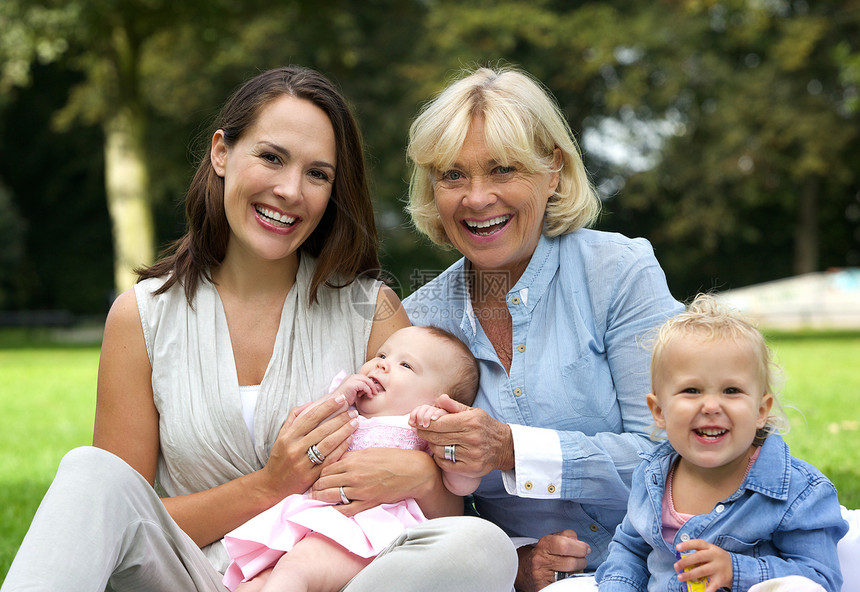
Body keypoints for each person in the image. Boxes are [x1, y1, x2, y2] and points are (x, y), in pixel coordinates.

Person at [1, 66, 516, 592]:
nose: (290, 190)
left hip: (327, 578)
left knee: (482, 547)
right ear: (222, 153)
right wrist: (271, 485)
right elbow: (120, 522)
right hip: (185, 577)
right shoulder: (142, 317)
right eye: (271, 157)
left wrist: (427, 479)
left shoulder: (372, 311)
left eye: (318, 174)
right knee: (92, 473)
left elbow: (437, 513)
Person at [401, 64, 685, 592]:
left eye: (504, 169)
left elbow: (676, 453)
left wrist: (513, 449)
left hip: (678, 565)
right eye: (453, 175)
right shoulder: (418, 321)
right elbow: (415, 501)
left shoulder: (618, 272)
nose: (477, 197)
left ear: (553, 169)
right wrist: (516, 558)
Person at [595, 294, 848, 592]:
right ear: (659, 411)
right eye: (691, 390)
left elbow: (820, 578)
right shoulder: (652, 477)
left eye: (731, 390)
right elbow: (630, 552)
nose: (711, 405)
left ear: (761, 411)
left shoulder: (799, 492)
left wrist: (735, 570)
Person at [223, 325, 482, 591]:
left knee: (297, 569)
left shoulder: (426, 428)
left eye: (405, 365)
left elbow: (462, 486)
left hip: (371, 530)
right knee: (255, 582)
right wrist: (337, 398)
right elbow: (300, 434)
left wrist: (447, 432)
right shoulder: (347, 410)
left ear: (440, 401)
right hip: (314, 521)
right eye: (382, 356)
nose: (382, 366)